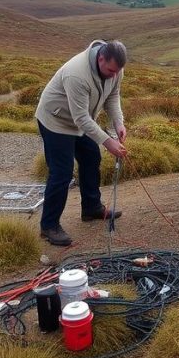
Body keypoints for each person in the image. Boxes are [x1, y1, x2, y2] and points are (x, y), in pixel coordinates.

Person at [35, 39, 128, 246]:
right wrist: (108, 142)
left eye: (117, 72)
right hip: (56, 121)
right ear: (101, 58)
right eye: (111, 70)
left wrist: (118, 123)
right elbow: (81, 119)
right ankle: (49, 226)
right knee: (62, 173)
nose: (114, 75)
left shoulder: (115, 69)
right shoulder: (76, 73)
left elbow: (113, 96)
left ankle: (91, 208)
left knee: (91, 157)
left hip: (80, 121)